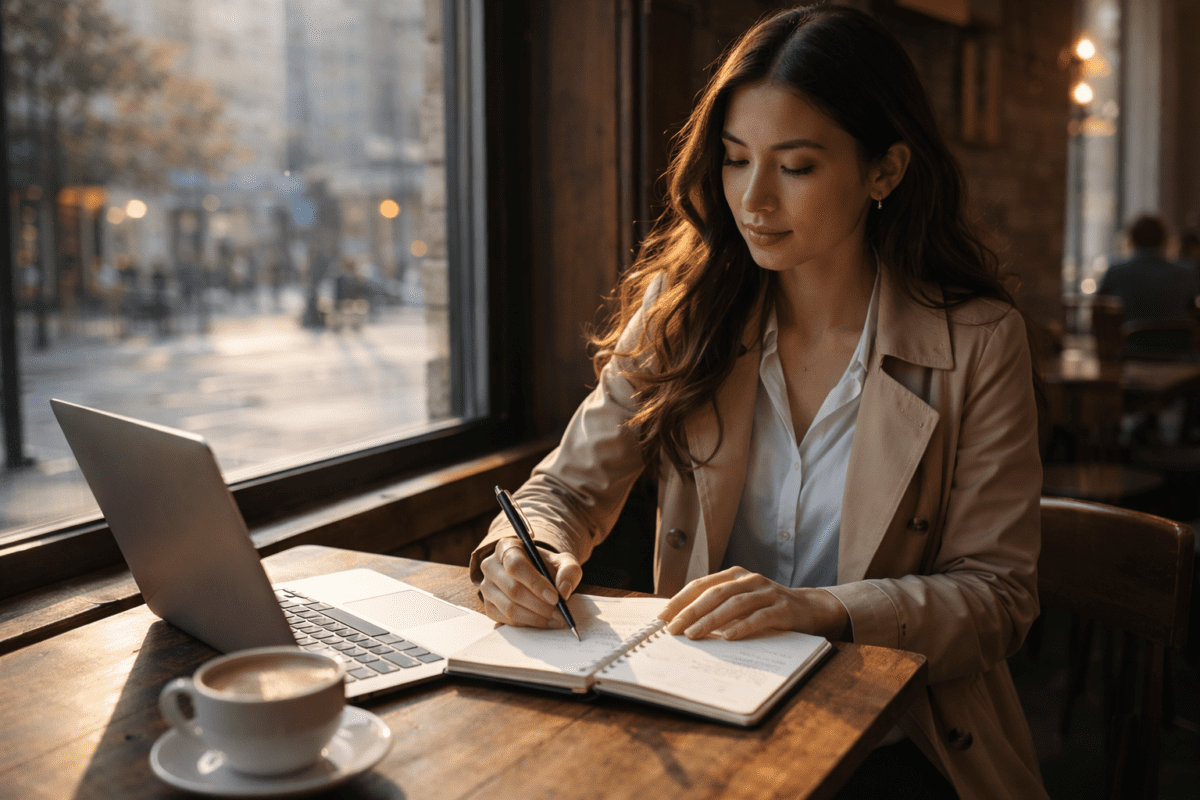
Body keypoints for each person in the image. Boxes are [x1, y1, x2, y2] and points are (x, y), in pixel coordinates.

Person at [471, 6, 1045, 799]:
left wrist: (819, 610)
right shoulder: (684, 312)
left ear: (885, 171)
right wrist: (520, 551)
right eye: (736, 160)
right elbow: (564, 490)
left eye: (797, 166)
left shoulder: (979, 341)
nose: (754, 199)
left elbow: (998, 597)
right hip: (702, 717)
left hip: (897, 740)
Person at [1098, 214, 1199, 326]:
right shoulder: (1184, 273)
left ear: (1131, 239)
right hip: (1176, 341)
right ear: (1165, 240)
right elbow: (1192, 311)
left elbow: (1098, 306)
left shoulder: (1116, 271)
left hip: (1129, 341)